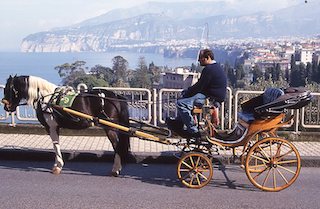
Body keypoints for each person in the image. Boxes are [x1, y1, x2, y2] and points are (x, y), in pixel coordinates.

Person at [167, 49, 227, 138]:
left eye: (200, 58)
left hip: (210, 98)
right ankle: (178, 123)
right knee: (182, 100)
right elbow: (200, 86)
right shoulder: (215, 67)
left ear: (207, 58)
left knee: (181, 104)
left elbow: (199, 86)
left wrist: (187, 92)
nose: (199, 61)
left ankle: (193, 130)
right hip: (210, 95)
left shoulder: (209, 69)